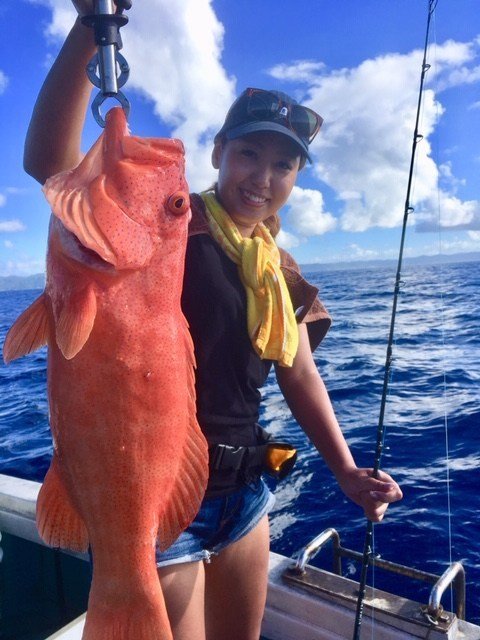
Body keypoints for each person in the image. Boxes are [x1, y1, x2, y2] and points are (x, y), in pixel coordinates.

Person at [24, 3, 403, 639]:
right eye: (248, 154)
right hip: (161, 499)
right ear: (220, 153)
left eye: (283, 165)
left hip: (245, 495)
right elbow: (51, 164)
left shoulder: (278, 267)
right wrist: (91, 31)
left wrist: (344, 470)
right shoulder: (174, 224)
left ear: (297, 177)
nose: (262, 177)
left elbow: (298, 371)